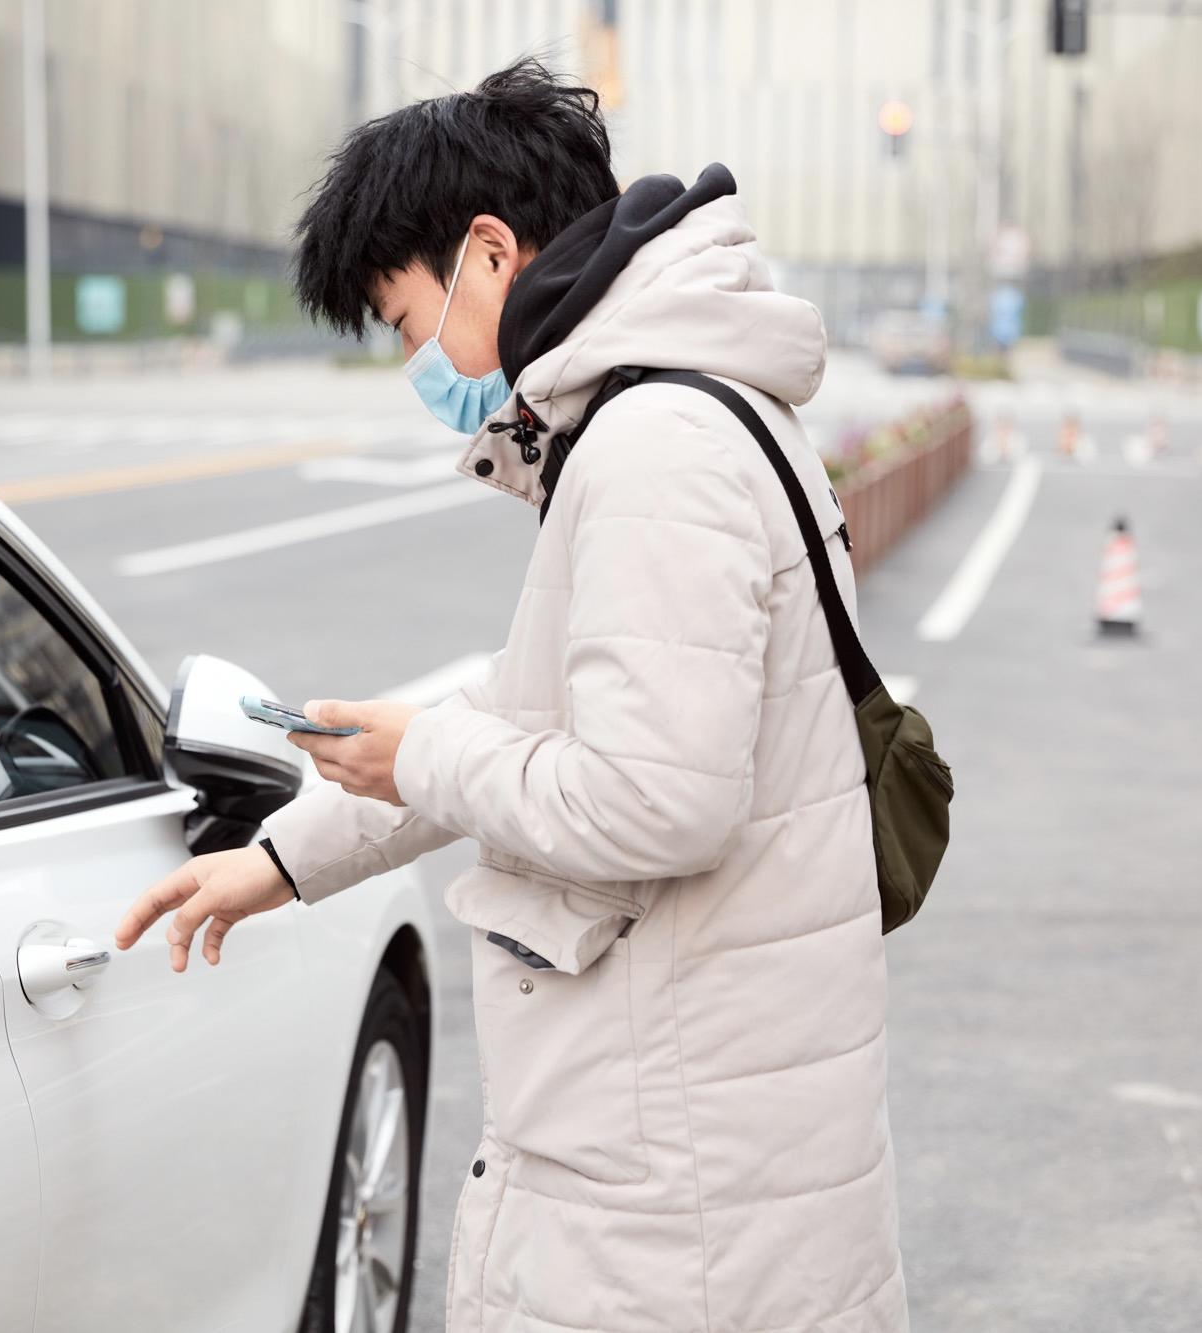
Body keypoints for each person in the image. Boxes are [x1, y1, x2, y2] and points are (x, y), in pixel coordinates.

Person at [113, 58, 910, 1333]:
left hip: (671, 1203)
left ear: (488, 253)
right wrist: (289, 855)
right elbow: (539, 707)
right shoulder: (676, 412)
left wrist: (423, 755)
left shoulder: (655, 446)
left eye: (403, 317)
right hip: (704, 1144)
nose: (415, 362)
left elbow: (654, 800)